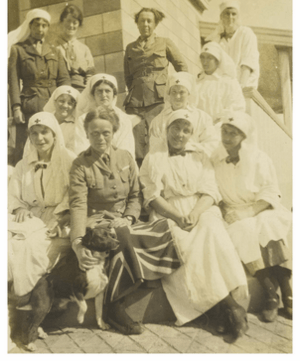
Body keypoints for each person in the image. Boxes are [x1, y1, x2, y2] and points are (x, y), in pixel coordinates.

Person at [69, 106, 182, 335]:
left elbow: (135, 195)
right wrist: (78, 242)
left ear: (114, 132)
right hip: (97, 222)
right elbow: (78, 205)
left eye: (106, 133)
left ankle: (122, 297)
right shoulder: (80, 165)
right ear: (87, 134)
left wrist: (130, 217)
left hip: (125, 219)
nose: (101, 139)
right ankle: (115, 306)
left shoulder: (125, 157)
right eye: (94, 134)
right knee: (119, 238)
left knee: (165, 229)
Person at [140, 109, 248, 341]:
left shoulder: (200, 155)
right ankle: (228, 309)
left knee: (212, 231)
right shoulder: (153, 157)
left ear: (192, 132)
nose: (180, 134)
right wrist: (178, 217)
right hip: (167, 212)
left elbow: (210, 190)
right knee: (182, 243)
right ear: (167, 129)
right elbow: (152, 196)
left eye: (186, 129)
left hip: (199, 207)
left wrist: (196, 213)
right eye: (175, 128)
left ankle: (221, 310)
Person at [211, 111, 292, 321]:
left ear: (244, 137)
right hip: (233, 214)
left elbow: (271, 192)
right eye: (225, 132)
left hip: (259, 208)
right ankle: (270, 294)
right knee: (242, 231)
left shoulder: (259, 159)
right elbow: (214, 191)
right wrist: (225, 209)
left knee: (269, 224)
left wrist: (249, 211)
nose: (227, 138)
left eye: (233, 134)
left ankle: (287, 290)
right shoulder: (217, 160)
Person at [8, 112, 76, 301]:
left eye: (44, 132)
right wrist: (19, 208)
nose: (40, 138)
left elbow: (75, 194)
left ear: (54, 133)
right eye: (34, 133)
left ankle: (26, 301)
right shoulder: (24, 164)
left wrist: (60, 216)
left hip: (59, 222)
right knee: (9, 245)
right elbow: (12, 194)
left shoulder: (69, 160)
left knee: (32, 249)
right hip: (31, 219)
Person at [124, 7, 188, 165]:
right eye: (142, 21)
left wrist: (178, 91)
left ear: (155, 24)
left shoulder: (165, 43)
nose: (145, 24)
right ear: (137, 24)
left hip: (159, 100)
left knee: (159, 140)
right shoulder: (130, 48)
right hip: (136, 103)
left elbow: (183, 68)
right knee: (137, 142)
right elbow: (128, 77)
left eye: (149, 21)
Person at [8, 9, 71, 165]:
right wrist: (16, 107)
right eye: (37, 25)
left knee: (55, 146)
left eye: (44, 25)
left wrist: (66, 104)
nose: (40, 29)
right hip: (29, 106)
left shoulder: (55, 51)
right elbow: (13, 81)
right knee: (26, 148)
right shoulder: (18, 50)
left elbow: (64, 79)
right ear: (30, 26)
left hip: (53, 105)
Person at [149, 72, 219, 157]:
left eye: (182, 92)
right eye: (174, 92)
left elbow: (211, 144)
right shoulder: (158, 121)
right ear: (169, 94)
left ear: (189, 94)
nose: (177, 96)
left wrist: (189, 150)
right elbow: (154, 149)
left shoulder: (202, 118)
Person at [74, 73, 135, 158]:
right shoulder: (83, 119)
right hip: (90, 165)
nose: (103, 95)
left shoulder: (123, 119)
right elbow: (81, 148)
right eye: (99, 91)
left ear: (114, 95)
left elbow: (126, 149)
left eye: (107, 91)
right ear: (93, 95)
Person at [205, 0, 259, 90]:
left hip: (244, 86)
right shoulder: (217, 40)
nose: (230, 17)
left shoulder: (246, 33)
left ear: (238, 17)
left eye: (233, 14)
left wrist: (241, 86)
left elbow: (248, 62)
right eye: (227, 14)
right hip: (223, 88)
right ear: (221, 17)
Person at [195, 42, 245, 125]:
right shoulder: (197, 82)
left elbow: (236, 107)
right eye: (202, 57)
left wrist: (219, 122)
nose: (205, 61)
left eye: (209, 58)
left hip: (220, 129)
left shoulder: (229, 82)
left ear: (217, 61)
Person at [53, 4, 95, 91]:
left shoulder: (84, 49)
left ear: (79, 25)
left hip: (82, 90)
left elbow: (90, 74)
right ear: (61, 22)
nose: (71, 25)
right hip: (60, 90)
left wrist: (87, 93)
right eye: (68, 21)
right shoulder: (53, 47)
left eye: (75, 22)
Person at [43, 85, 80, 153]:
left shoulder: (76, 126)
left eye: (70, 103)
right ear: (54, 102)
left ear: (74, 106)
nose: (65, 106)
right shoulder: (44, 120)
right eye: (62, 101)